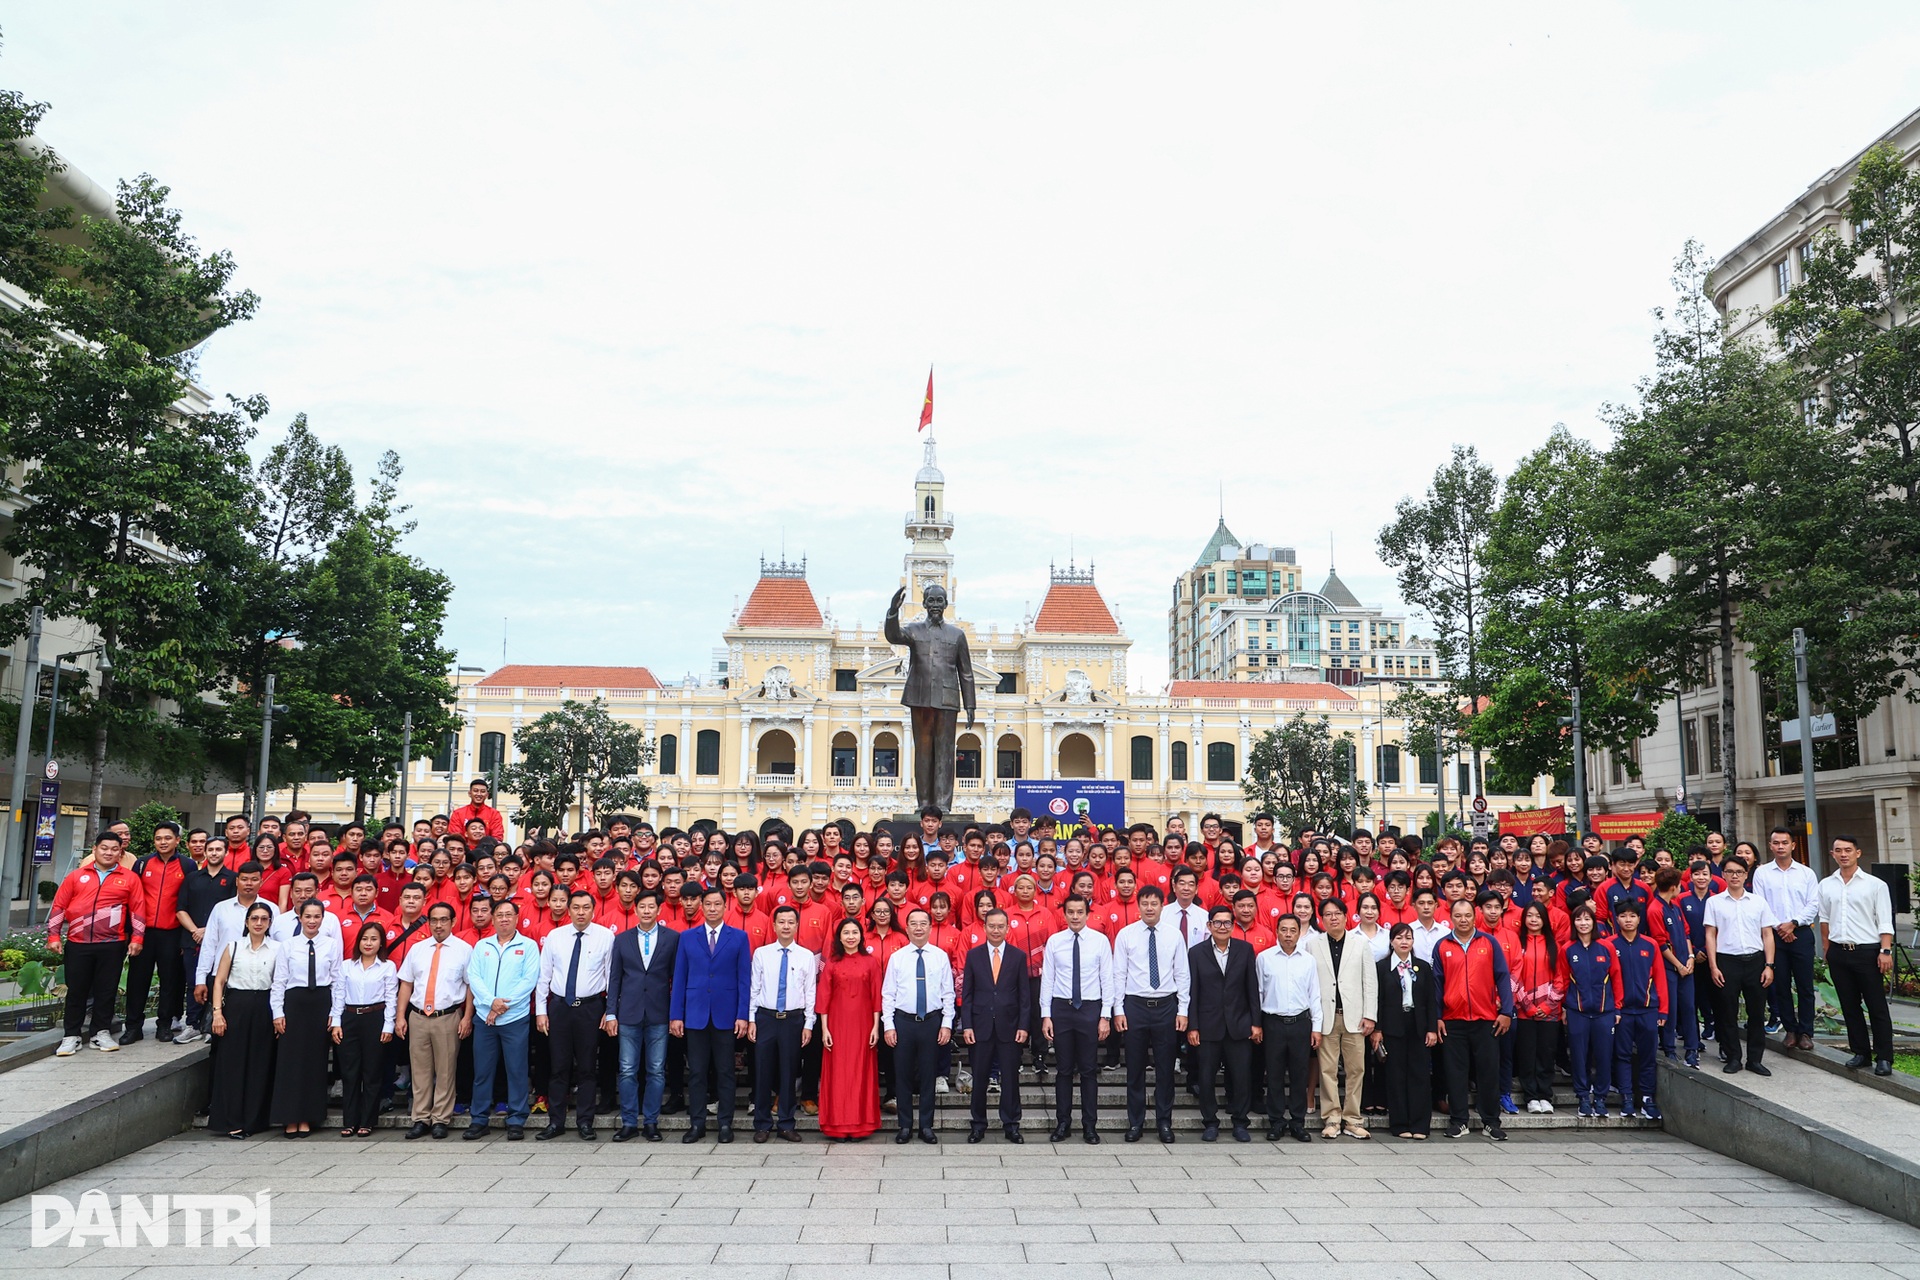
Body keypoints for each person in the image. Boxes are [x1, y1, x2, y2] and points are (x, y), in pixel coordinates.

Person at [48, 833, 146, 1056]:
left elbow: (138, 910)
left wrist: (138, 939)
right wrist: (53, 936)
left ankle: (100, 1033)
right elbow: (59, 906)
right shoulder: (76, 876)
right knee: (76, 991)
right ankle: (71, 1036)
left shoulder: (130, 878)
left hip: (112, 944)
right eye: (104, 848)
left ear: (120, 853)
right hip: (78, 943)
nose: (109, 852)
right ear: (95, 849)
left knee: (106, 990)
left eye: (114, 849)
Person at [670, 885, 752, 1144]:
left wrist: (743, 1015)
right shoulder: (687, 937)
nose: (713, 908)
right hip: (694, 1014)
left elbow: (744, 980)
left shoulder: (739, 937)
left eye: (718, 904)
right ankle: (697, 1123)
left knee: (726, 1071)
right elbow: (679, 977)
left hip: (726, 1015)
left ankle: (725, 1123)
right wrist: (676, 1015)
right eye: (709, 904)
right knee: (696, 1071)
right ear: (701, 907)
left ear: (726, 906)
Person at [1112, 885, 1190, 1143]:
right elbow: (1118, 974)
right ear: (1138, 905)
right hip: (1135, 1006)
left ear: (1161, 905)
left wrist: (1183, 1009)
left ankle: (1164, 1123)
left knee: (1165, 1069)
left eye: (1153, 903)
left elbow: (1182, 974)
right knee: (1134, 1069)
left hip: (1166, 1006)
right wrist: (1118, 1009)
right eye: (1144, 903)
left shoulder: (1174, 935)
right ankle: (1135, 1123)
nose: (1149, 908)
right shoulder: (1126, 935)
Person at [535, 890, 615, 1140]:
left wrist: (610, 1011)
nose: (581, 912)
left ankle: (585, 1122)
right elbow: (543, 977)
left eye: (586, 907)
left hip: (590, 1008)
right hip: (559, 1007)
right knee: (558, 1066)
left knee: (588, 1067)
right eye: (576, 907)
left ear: (594, 910)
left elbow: (611, 976)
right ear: (568, 910)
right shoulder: (555, 937)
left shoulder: (606, 937)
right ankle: (556, 1121)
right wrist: (540, 1011)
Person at [1432, 896, 1514, 1141]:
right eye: (1458, 916)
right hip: (1453, 1021)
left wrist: (1506, 1011)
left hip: (1485, 1019)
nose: (1463, 920)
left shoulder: (1488, 942)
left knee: (1488, 1072)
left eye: (1467, 915)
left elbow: (1502, 977)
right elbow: (1437, 984)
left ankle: (1491, 1121)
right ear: (1451, 918)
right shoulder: (1442, 945)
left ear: (1475, 915)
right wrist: (1437, 1017)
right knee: (1455, 1074)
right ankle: (1459, 1121)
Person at [1817, 835, 1895, 1075]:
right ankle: (1860, 1052)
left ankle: (1884, 1057)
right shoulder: (1826, 885)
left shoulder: (1875, 885)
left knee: (1876, 1006)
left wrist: (1885, 950)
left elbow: (1884, 920)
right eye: (1838, 850)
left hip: (1868, 952)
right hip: (1839, 952)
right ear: (1832, 854)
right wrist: (1828, 950)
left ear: (1858, 853)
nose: (1843, 854)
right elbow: (1824, 920)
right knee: (1849, 1007)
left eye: (1848, 850)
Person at [395, 902, 474, 1139]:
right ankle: (420, 1118)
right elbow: (406, 984)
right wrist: (400, 1016)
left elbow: (470, 986)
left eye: (443, 920)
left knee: (446, 1070)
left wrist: (467, 1016)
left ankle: (440, 1118)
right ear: (428, 922)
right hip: (418, 1016)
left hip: (448, 1016)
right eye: (434, 920)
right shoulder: (417, 949)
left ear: (453, 921)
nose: (438, 925)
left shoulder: (464, 950)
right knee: (420, 1070)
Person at [467, 888, 541, 1140]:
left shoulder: (528, 946)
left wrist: (501, 1007)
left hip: (515, 1018)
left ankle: (517, 1118)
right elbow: (474, 978)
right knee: (482, 1071)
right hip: (484, 1017)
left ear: (517, 918)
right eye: (499, 915)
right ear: (493, 918)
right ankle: (479, 1119)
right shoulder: (481, 945)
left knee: (517, 1069)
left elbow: (528, 981)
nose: (504, 919)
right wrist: (490, 1003)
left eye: (509, 915)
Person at [1040, 896, 1113, 1144]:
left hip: (1090, 1008)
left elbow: (1107, 979)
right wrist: (1046, 1014)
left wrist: (1105, 1015)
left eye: (1079, 912)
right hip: (1062, 1008)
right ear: (1064, 914)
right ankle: (1063, 1123)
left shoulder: (1100, 941)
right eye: (1070, 912)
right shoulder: (1055, 941)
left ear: (1087, 913)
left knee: (1089, 1070)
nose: (1074, 916)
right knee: (1063, 1070)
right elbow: (1047, 979)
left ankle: (1089, 1126)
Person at [608, 890, 680, 1141]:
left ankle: (651, 1121)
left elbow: (677, 979)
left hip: (660, 1012)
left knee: (657, 1070)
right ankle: (628, 1122)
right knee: (627, 1069)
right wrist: (610, 1013)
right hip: (628, 1012)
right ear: (635, 909)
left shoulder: (672, 938)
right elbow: (615, 978)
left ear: (659, 910)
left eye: (652, 907)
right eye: (642, 907)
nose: (647, 911)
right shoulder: (622, 939)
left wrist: (676, 1013)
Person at [1186, 905, 1261, 1142]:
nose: (1222, 927)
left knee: (1241, 1077)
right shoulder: (1196, 953)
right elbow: (1192, 992)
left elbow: (1252, 989)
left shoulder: (1245, 949)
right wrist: (1193, 1025)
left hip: (1239, 1025)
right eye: (1217, 923)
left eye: (1227, 923)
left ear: (1233, 925)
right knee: (1206, 1078)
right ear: (1209, 926)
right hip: (1208, 1026)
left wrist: (1256, 1022)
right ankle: (1210, 1122)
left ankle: (1240, 1123)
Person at [1305, 895, 1377, 1140]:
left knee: (1356, 1069)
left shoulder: (1360, 944)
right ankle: (1332, 1118)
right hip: (1326, 1017)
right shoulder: (1313, 945)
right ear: (1321, 919)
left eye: (1337, 913)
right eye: (1328, 914)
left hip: (1355, 1018)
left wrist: (1370, 1015)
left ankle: (1353, 1119)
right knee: (1327, 1070)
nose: (1333, 917)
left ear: (1347, 916)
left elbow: (1370, 982)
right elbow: (1310, 984)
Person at [883, 907, 956, 1144]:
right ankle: (905, 1126)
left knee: (928, 1076)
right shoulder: (897, 957)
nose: (918, 927)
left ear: (930, 927)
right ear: (906, 928)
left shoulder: (940, 956)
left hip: (931, 1022)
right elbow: (888, 994)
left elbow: (948, 993)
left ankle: (926, 1126)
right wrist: (888, 1025)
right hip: (904, 1022)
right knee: (902, 1076)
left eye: (923, 923)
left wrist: (946, 1023)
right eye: (913, 923)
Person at [208, 902, 279, 1138]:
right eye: (254, 918)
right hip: (237, 1006)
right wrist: (218, 1013)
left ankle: (254, 1120)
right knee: (232, 1064)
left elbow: (280, 984)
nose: (259, 923)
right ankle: (231, 1120)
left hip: (265, 1006)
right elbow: (219, 981)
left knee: (260, 1063)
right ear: (247, 921)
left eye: (264, 919)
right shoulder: (234, 946)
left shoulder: (278, 949)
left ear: (269, 923)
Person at [270, 899, 340, 1137]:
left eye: (316, 916)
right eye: (307, 916)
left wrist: (335, 1014)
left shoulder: (331, 945)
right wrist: (277, 1012)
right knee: (291, 1062)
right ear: (300, 918)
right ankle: (289, 1116)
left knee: (314, 1062)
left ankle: (309, 1117)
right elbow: (279, 981)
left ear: (323, 918)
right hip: (294, 1004)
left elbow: (337, 982)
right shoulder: (288, 945)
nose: (312, 921)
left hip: (320, 1003)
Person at [960, 907, 1030, 1143]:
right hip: (979, 1027)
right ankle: (978, 1125)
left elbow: (1024, 996)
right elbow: (966, 994)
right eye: (992, 926)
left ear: (1008, 928)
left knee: (1010, 1078)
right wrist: (966, 1025)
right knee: (979, 1078)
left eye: (1001, 926)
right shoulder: (974, 955)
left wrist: (1023, 1025)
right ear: (984, 927)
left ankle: (1011, 1124)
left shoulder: (1018, 956)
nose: (996, 930)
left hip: (1010, 1027)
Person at [748, 905, 817, 1142]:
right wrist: (751, 1019)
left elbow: (810, 993)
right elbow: (754, 989)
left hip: (793, 1020)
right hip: (765, 1018)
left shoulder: (806, 956)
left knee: (789, 1072)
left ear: (797, 926)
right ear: (774, 925)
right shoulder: (761, 953)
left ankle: (786, 1123)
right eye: (782, 922)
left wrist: (809, 1023)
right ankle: (762, 1124)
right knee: (762, 1072)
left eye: (791, 922)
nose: (786, 926)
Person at [1704, 856, 1777, 1076]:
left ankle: (1755, 1059)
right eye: (1729, 872)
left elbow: (1767, 934)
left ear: (1746, 875)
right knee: (1727, 1012)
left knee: (1756, 1013)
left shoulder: (1758, 902)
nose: (1734, 876)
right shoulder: (1714, 902)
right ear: (1723, 875)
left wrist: (1769, 965)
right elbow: (1710, 935)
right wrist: (1714, 966)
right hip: (1727, 961)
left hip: (1755, 962)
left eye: (1739, 872)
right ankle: (1733, 1057)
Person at [1752, 827, 1819, 1049]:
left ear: (1793, 845)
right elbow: (1760, 904)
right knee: (1781, 985)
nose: (1780, 846)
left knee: (1805, 985)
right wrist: (1780, 928)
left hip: (1800, 933)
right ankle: (1790, 1029)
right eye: (1776, 843)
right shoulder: (1762, 873)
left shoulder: (1806, 873)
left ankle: (1806, 1032)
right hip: (1774, 935)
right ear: (1770, 846)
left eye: (1784, 842)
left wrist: (1794, 924)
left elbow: (1813, 904)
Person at [1257, 913, 1321, 1142]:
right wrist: (1258, 1024)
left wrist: (1317, 1027)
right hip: (1272, 1022)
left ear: (1298, 932)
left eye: (1293, 930)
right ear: (1277, 931)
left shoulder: (1308, 960)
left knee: (1299, 1075)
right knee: (1273, 1075)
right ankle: (1276, 1122)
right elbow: (1259, 993)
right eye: (1283, 930)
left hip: (1300, 1023)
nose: (1288, 934)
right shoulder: (1264, 958)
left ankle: (1297, 1122)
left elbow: (1315, 995)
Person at [817, 918, 883, 1142]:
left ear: (861, 937)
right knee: (837, 1073)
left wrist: (876, 1026)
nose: (851, 936)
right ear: (839, 937)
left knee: (861, 1071)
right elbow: (824, 996)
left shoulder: (871, 962)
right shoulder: (832, 963)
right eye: (846, 932)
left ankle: (861, 1125)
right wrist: (824, 1029)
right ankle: (836, 1124)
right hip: (836, 1024)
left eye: (855, 932)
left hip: (864, 1024)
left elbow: (876, 996)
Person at [124, 820, 189, 1044]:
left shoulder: (187, 865)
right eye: (159, 838)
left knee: (170, 981)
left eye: (168, 838)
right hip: (144, 933)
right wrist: (132, 933)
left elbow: (188, 902)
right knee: (137, 981)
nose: (163, 842)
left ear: (177, 840)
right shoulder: (142, 864)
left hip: (172, 933)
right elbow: (131, 898)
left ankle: (164, 1025)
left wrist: (184, 938)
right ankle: (133, 1026)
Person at [1372, 923, 1439, 1139]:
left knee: (1419, 1075)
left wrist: (1431, 1029)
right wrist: (1378, 1028)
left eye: (1408, 938)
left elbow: (1430, 1000)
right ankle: (1400, 1124)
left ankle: (1420, 1125)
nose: (1404, 942)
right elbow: (1378, 1000)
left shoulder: (1422, 967)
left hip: (1418, 1026)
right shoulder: (1382, 967)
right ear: (1391, 941)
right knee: (1396, 1076)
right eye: (1399, 938)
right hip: (1393, 1027)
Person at [332, 921, 397, 1137]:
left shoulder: (387, 966)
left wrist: (388, 1025)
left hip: (375, 1018)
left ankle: (367, 1121)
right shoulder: (346, 966)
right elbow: (338, 995)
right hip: (349, 1018)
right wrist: (336, 1023)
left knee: (372, 1072)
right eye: (364, 939)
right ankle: (349, 1121)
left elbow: (391, 999)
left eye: (373, 939)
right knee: (350, 1073)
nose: (368, 943)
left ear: (381, 943)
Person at [1608, 899, 1668, 1121]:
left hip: (1647, 1009)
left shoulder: (1650, 944)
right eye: (1623, 916)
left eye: (1632, 916)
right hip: (1621, 1012)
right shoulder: (1609, 944)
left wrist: (1663, 1011)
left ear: (1639, 919)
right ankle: (1626, 1097)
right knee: (1622, 1055)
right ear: (1616, 918)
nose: (1628, 920)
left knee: (1647, 1056)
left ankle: (1647, 1098)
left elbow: (1660, 978)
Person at [1563, 902, 1620, 1117]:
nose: (1583, 923)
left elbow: (1616, 978)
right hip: (1577, 1011)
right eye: (1579, 919)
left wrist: (1618, 1009)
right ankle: (1583, 1098)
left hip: (1604, 1011)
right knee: (1579, 1056)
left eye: (1587, 919)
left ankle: (1601, 1098)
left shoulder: (1606, 947)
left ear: (1594, 922)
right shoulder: (1567, 949)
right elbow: (1562, 979)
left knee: (1604, 1056)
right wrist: (1564, 1007)